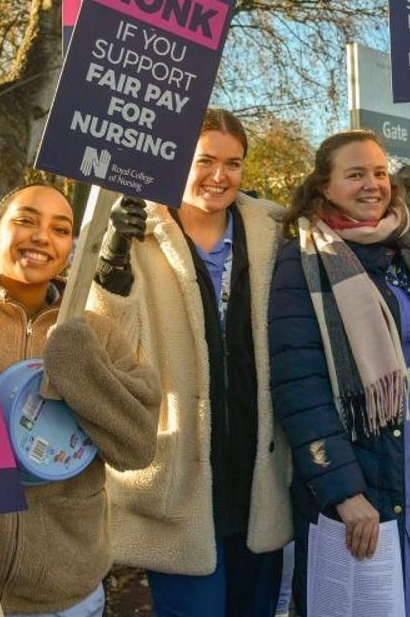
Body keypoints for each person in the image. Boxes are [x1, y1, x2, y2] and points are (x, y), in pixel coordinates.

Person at [269, 130, 410, 616]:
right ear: (324, 185)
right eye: (355, 174)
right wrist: (344, 491)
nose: (372, 184)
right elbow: (300, 388)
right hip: (369, 465)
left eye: (379, 172)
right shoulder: (302, 260)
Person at [89, 108, 292, 616]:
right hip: (179, 481)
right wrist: (112, 257)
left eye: (233, 163)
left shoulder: (273, 230)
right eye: (204, 160)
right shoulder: (137, 232)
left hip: (257, 477)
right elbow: (108, 342)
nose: (219, 176)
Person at [0, 183, 161, 617]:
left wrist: (76, 360)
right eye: (25, 221)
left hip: (68, 594)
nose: (41, 237)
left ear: (73, 246)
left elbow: (137, 446)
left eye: (61, 229)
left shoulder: (98, 331)